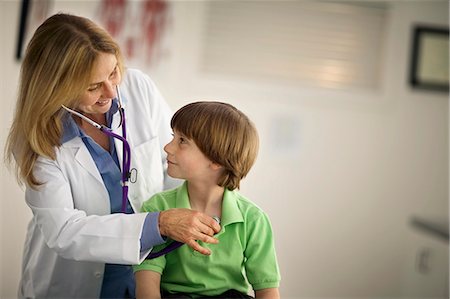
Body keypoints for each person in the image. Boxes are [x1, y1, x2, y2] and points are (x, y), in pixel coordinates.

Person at [4, 13, 220, 299]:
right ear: (56, 87)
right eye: (93, 86)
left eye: (113, 72)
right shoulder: (37, 138)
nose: (111, 91)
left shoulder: (138, 88)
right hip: (71, 282)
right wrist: (159, 224)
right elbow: (64, 230)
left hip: (148, 274)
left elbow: (175, 166)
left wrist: (205, 201)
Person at [133, 101, 281, 299]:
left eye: (182, 140)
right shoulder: (157, 208)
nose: (168, 147)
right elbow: (147, 282)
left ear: (216, 160)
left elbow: (267, 289)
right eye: (173, 137)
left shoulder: (253, 219)